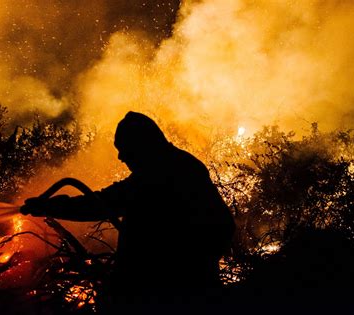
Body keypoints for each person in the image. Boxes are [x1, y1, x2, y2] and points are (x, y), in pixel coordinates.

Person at [20, 112, 235, 311]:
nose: (121, 157)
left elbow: (102, 203)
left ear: (143, 145)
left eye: (124, 148)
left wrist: (179, 268)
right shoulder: (172, 166)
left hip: (167, 294)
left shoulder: (163, 174)